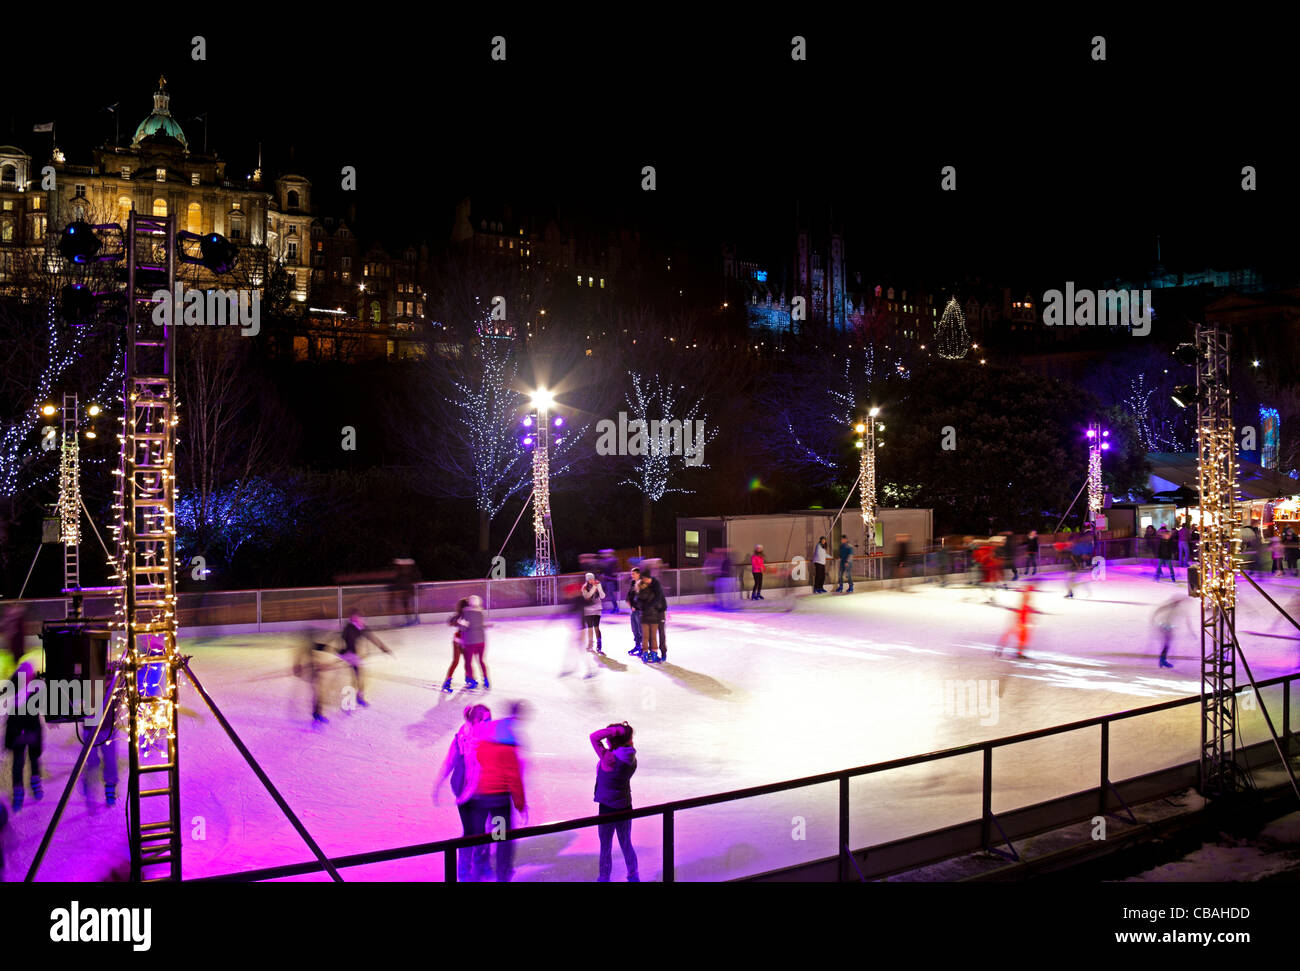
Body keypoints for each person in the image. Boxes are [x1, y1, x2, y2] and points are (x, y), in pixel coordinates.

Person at [461, 702, 528, 881]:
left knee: (479, 836)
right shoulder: (509, 750)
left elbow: (477, 762)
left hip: (482, 798)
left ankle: (475, 872)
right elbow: (514, 779)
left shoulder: (485, 745)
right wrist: (521, 805)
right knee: (501, 838)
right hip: (499, 802)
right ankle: (502, 874)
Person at [433, 703, 492, 882]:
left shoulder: (490, 738)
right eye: (486, 719)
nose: (490, 722)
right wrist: (438, 784)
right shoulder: (461, 738)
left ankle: (481, 865)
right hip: (465, 791)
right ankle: (464, 869)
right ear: (475, 720)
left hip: (484, 791)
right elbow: (450, 761)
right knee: (470, 831)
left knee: (483, 829)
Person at [2, 605, 44, 811]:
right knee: (20, 760)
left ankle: (33, 785)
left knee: (33, 758)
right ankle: (20, 791)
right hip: (20, 723)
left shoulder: (28, 677)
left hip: (27, 722)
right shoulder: (19, 677)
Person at [590, 722, 640, 882]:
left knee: (605, 847)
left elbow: (594, 737)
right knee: (626, 842)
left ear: (613, 739)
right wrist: (619, 732)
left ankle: (604, 878)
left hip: (607, 808)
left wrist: (614, 730)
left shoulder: (610, 758)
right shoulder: (631, 757)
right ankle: (634, 875)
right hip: (625, 804)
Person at [338, 609, 393, 707]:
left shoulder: (362, 627)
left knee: (359, 677)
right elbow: (346, 642)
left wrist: (384, 649)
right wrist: (354, 656)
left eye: (361, 618)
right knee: (357, 677)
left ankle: (359, 697)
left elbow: (373, 638)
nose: (361, 620)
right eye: (359, 618)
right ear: (353, 619)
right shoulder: (348, 629)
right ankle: (353, 699)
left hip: (355, 655)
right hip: (349, 653)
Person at [996, 583, 1039, 659]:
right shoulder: (1024, 605)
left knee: (1021, 638)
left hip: (1021, 624)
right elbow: (1022, 612)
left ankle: (1003, 650)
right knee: (1022, 639)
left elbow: (1023, 611)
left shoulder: (1024, 605)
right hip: (1021, 624)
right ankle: (1017, 652)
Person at [458, 595, 489, 691]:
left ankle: (471, 680)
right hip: (481, 641)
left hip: (470, 641)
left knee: (468, 662)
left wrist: (461, 624)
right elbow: (481, 626)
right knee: (481, 661)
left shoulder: (466, 613)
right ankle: (486, 680)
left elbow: (463, 628)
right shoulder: (480, 613)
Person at [636, 570, 668, 664]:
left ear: (647, 578)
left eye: (644, 579)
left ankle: (663, 652)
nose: (643, 581)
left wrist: (647, 606)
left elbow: (658, 598)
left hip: (660, 610)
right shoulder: (644, 585)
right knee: (650, 634)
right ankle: (652, 653)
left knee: (661, 632)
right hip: (652, 612)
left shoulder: (655, 583)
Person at [441, 598, 470, 694]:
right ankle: (448, 681)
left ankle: (467, 678)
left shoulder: (469, 616)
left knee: (464, 661)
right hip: (459, 640)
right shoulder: (460, 615)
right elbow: (450, 622)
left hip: (464, 640)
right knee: (457, 661)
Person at [581, 573, 605, 654]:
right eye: (590, 579)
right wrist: (594, 587)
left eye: (593, 579)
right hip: (588, 610)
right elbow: (587, 596)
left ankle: (599, 644)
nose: (592, 580)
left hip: (597, 609)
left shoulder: (597, 584)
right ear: (587, 580)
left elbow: (602, 596)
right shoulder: (584, 587)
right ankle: (590, 644)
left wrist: (599, 587)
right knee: (590, 628)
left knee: (596, 627)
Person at [626, 566, 644, 657]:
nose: (631, 575)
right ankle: (637, 646)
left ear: (638, 574)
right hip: (633, 611)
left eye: (633, 574)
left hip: (640, 611)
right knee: (634, 630)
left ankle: (643, 648)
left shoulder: (642, 584)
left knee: (641, 630)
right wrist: (630, 604)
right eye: (631, 574)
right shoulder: (633, 583)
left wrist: (636, 607)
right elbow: (629, 596)